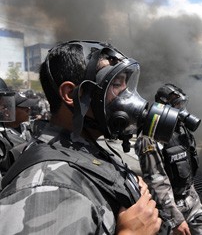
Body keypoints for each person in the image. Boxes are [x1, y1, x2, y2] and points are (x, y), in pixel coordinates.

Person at [0, 40, 162, 234]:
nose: (125, 97)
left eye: (126, 86)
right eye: (116, 85)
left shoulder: (81, 148)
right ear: (71, 94)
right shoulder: (49, 188)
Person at [135, 83, 202, 235]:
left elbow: (188, 172)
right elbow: (156, 181)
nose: (181, 108)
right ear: (164, 106)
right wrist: (175, 219)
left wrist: (193, 198)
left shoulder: (181, 130)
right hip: (168, 206)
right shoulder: (150, 137)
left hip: (189, 198)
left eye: (182, 104)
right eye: (176, 104)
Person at [0, 91, 37, 177]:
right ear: (8, 111)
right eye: (24, 108)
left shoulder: (29, 128)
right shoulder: (2, 136)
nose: (29, 110)